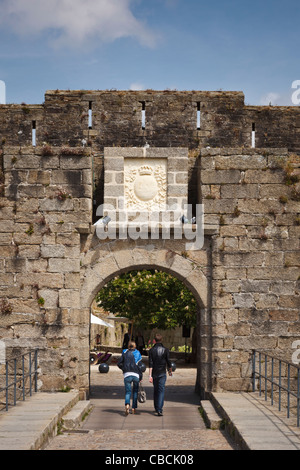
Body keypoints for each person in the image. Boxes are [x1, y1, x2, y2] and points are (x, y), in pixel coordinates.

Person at [148, 333, 172, 416]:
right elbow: (168, 361)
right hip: (162, 372)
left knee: (156, 390)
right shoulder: (165, 350)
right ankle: (159, 409)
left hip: (155, 372)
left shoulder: (151, 350)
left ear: (154, 340)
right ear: (161, 340)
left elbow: (150, 364)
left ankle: (156, 406)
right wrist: (170, 370)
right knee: (161, 390)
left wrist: (150, 375)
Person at [117, 341, 143, 415]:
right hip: (136, 375)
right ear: (135, 346)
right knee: (135, 392)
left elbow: (119, 363)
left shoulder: (124, 352)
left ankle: (127, 405)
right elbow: (140, 366)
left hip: (127, 374)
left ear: (128, 346)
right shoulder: (138, 353)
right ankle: (134, 408)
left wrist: (124, 368)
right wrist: (140, 376)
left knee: (128, 392)